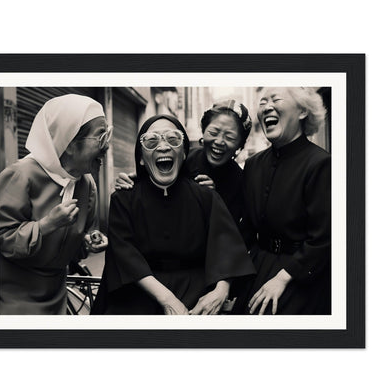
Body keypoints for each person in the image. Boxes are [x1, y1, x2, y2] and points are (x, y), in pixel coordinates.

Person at [93, 114, 255, 315]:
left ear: (184, 152)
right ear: (141, 158)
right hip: (139, 290)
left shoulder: (206, 196)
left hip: (196, 292)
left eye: (173, 139)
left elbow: (227, 247)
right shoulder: (124, 199)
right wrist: (167, 299)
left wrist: (222, 289)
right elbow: (125, 254)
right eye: (152, 141)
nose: (163, 147)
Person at [0, 94, 111, 314]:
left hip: (57, 296)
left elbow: (70, 250)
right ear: (69, 143)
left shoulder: (87, 185)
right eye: (100, 136)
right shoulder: (20, 175)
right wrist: (46, 225)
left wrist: (86, 243)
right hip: (10, 296)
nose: (107, 145)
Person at [241, 87, 331, 315]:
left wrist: (283, 278)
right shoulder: (252, 165)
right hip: (259, 266)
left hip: (302, 274)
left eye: (275, 99)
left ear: (302, 111)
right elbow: (244, 230)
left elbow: (324, 239)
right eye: (262, 102)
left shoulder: (321, 164)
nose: (266, 107)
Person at [115, 100, 252, 226]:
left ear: (240, 144)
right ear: (203, 131)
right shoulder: (183, 159)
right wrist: (133, 180)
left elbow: (230, 231)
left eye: (229, 137)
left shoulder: (241, 181)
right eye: (213, 132)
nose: (219, 141)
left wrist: (213, 199)